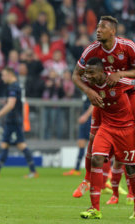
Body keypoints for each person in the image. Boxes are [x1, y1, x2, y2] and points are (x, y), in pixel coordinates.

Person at [72, 15, 135, 204]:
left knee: (126, 147)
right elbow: (76, 75)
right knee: (93, 139)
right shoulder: (92, 49)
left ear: (113, 31)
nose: (98, 30)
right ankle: (87, 180)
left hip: (128, 94)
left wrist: (120, 73)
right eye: (98, 27)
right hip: (101, 98)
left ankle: (128, 191)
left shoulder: (128, 46)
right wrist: (89, 92)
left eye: (103, 27)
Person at [80, 57, 135, 219]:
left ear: (102, 72)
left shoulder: (117, 81)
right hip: (107, 127)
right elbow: (77, 77)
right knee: (96, 159)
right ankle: (94, 208)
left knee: (131, 168)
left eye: (92, 72)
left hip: (126, 128)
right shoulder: (88, 81)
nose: (88, 76)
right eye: (87, 72)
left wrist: (122, 73)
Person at [0, 67, 38, 178]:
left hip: (14, 120)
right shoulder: (18, 86)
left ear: (10, 75)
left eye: (4, 75)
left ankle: (33, 172)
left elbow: (11, 105)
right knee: (5, 144)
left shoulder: (13, 87)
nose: (2, 77)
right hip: (14, 119)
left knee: (20, 145)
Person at [63, 95, 93, 176]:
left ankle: (105, 169)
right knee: (81, 143)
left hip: (90, 120)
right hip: (85, 121)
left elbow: (94, 104)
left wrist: (85, 116)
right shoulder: (86, 89)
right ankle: (77, 169)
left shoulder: (93, 87)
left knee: (94, 145)